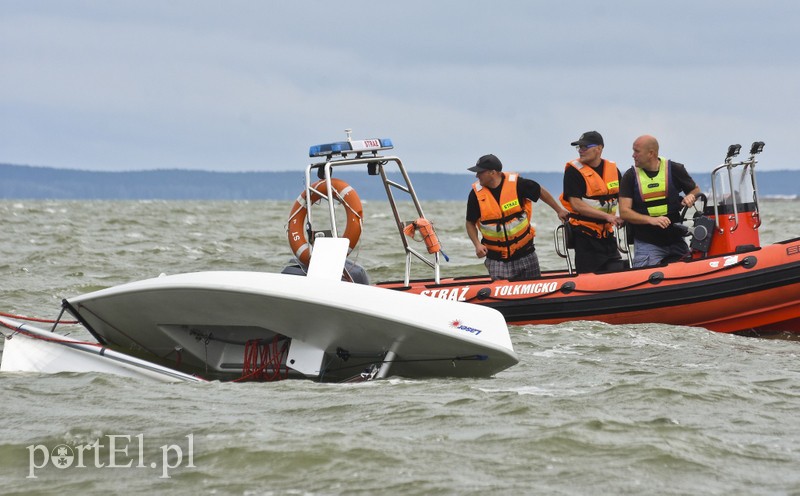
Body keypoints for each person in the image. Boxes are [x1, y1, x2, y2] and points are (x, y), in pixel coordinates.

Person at [465, 154, 569, 281]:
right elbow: (469, 222)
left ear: (492, 172)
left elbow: (540, 191)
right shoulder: (475, 195)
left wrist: (559, 210)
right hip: (497, 260)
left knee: (534, 292)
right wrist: (477, 245)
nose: (477, 176)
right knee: (501, 297)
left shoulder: (518, 184)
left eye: (480, 172)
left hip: (526, 254)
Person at [618, 135, 701, 267]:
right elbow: (624, 212)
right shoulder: (630, 176)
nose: (633, 155)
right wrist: (651, 220)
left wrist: (690, 196)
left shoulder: (675, 169)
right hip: (647, 243)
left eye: (637, 151)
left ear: (651, 153)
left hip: (676, 240)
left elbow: (695, 190)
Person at [560, 131, 625, 273]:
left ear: (599, 148)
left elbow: (623, 198)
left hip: (608, 235)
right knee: (590, 277)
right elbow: (576, 204)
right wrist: (608, 217)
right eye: (579, 147)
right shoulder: (573, 171)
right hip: (585, 237)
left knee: (617, 272)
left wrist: (626, 216)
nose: (581, 151)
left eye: (585, 147)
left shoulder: (613, 170)